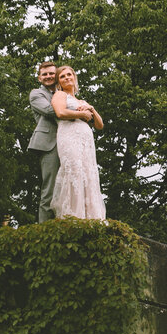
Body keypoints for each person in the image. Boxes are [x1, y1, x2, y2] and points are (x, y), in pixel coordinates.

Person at [28, 61, 92, 222]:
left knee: (71, 184)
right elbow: (52, 111)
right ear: (39, 78)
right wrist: (79, 111)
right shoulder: (36, 94)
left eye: (51, 73)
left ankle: (66, 222)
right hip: (50, 144)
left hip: (71, 143)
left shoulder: (64, 93)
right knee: (49, 189)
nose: (49, 76)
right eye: (45, 74)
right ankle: (45, 231)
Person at [50, 65, 105, 220]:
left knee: (88, 173)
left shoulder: (81, 101)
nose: (67, 77)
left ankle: (91, 217)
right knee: (74, 171)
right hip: (69, 137)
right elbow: (60, 112)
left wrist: (91, 109)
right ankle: (73, 217)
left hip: (85, 142)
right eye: (62, 76)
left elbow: (99, 125)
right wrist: (82, 113)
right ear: (59, 82)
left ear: (74, 77)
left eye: (69, 74)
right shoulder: (59, 95)